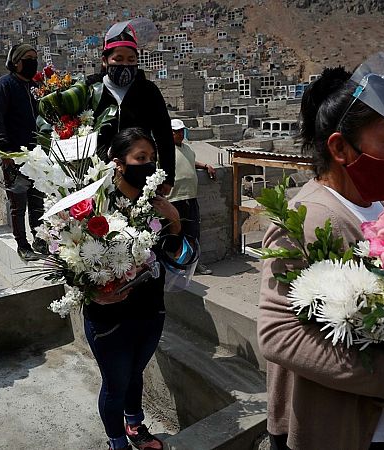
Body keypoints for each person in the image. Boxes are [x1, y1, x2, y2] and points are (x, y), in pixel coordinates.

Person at [258, 64, 384, 450]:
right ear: (340, 148)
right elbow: (278, 333)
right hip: (339, 428)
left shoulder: (377, 205)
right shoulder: (309, 218)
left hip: (377, 424)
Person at [87, 128, 181, 450]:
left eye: (152, 159)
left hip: (150, 310)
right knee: (116, 384)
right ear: (119, 163)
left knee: (136, 372)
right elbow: (70, 263)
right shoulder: (95, 206)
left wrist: (175, 221)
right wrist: (94, 292)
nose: (149, 165)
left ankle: (134, 425)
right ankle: (117, 442)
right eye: (140, 158)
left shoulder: (156, 204)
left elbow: (180, 257)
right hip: (109, 315)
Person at [88, 20, 175, 196]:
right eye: (118, 59)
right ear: (105, 60)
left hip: (140, 175)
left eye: (131, 59)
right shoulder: (91, 89)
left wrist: (167, 176)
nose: (125, 64)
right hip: (97, 176)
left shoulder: (148, 91)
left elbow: (164, 134)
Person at [0, 43, 47, 260]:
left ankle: (40, 239)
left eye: (35, 57)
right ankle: (22, 245)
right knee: (18, 205)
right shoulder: (4, 85)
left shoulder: (34, 86)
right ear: (15, 62)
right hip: (15, 157)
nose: (33, 61)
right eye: (28, 58)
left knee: (37, 201)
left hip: (37, 156)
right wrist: (6, 153)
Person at [168, 118, 215, 276]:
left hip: (190, 197)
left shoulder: (188, 149)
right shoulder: (164, 149)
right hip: (173, 199)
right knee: (175, 234)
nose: (179, 134)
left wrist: (206, 166)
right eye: (176, 132)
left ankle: (195, 264)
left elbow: (191, 162)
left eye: (181, 131)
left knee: (193, 232)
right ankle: (176, 266)